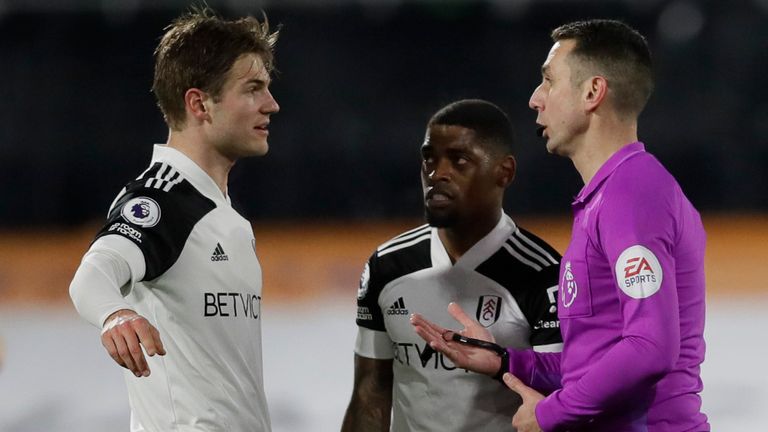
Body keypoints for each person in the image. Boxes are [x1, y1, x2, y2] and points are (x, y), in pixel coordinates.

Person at [412, 19, 709, 431]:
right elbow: (597, 359)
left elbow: (651, 347)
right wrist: (504, 360)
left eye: (549, 81)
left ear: (592, 93)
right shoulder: (611, 196)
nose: (536, 99)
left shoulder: (632, 195)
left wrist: (552, 412)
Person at [68, 7, 280, 431]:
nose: (271, 105)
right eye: (253, 88)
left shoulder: (222, 214)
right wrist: (116, 315)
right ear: (199, 103)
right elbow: (93, 273)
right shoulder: (163, 197)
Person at [341, 99, 564, 431]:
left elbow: (563, 393)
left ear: (504, 172)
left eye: (459, 160)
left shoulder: (543, 275)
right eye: (429, 159)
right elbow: (369, 394)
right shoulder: (387, 266)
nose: (436, 174)